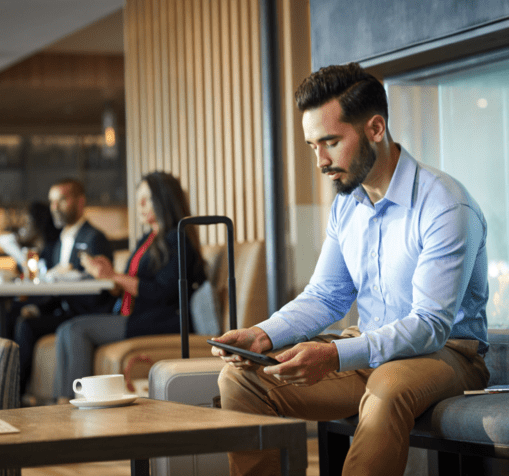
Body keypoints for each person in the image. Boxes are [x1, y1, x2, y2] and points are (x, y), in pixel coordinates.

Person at [210, 63, 491, 476]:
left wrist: (336, 355)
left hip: (447, 354)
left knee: (387, 388)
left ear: (376, 128)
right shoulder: (347, 203)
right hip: (370, 348)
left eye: (330, 142)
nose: (321, 161)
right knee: (241, 381)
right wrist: (262, 334)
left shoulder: (445, 204)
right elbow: (327, 295)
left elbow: (430, 325)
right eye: (312, 146)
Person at [52, 171, 207, 400]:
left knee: (76, 329)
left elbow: (161, 292)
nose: (140, 205)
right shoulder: (148, 238)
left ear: (164, 200)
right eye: (138, 198)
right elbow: (127, 284)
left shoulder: (177, 239)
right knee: (65, 329)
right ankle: (61, 403)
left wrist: (114, 275)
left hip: (162, 318)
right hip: (137, 314)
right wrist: (107, 276)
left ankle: (77, 403)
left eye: (147, 199)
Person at [14, 179, 115, 396]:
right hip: (64, 311)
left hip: (86, 313)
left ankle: (15, 394)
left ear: (80, 202)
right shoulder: (58, 242)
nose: (54, 208)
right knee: (18, 317)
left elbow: (101, 288)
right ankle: (14, 392)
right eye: (51, 202)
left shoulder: (95, 238)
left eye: (61, 200)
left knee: (28, 328)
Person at [0, 201, 60, 272]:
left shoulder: (52, 251)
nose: (22, 229)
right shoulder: (30, 251)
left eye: (26, 223)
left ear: (38, 224)